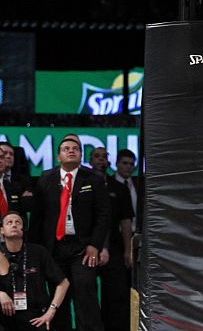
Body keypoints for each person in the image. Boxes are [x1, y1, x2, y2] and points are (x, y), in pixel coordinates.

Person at [29, 134, 110, 331]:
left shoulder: (94, 178)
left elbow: (103, 215)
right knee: (58, 299)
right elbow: (38, 218)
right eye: (66, 148)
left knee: (85, 297)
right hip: (53, 249)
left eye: (75, 148)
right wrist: (34, 251)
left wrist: (95, 245)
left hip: (83, 248)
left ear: (81, 155)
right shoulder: (46, 178)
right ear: (58, 156)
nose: (71, 150)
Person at [0, 211, 70, 330]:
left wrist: (51, 311)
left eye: (18, 222)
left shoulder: (38, 252)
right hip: (5, 317)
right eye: (9, 222)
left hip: (36, 317)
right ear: (1, 230)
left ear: (23, 229)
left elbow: (63, 283)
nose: (14, 225)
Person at [89, 146, 134, 331]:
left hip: (114, 248)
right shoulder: (82, 185)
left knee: (116, 295)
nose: (101, 160)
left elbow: (125, 222)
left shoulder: (119, 188)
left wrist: (128, 250)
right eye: (96, 157)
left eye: (104, 157)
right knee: (87, 295)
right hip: (87, 247)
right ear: (90, 161)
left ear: (109, 161)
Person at [113, 149, 139, 233]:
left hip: (137, 234)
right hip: (115, 235)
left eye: (131, 164)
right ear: (116, 164)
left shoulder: (140, 185)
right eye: (125, 163)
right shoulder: (109, 184)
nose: (128, 167)